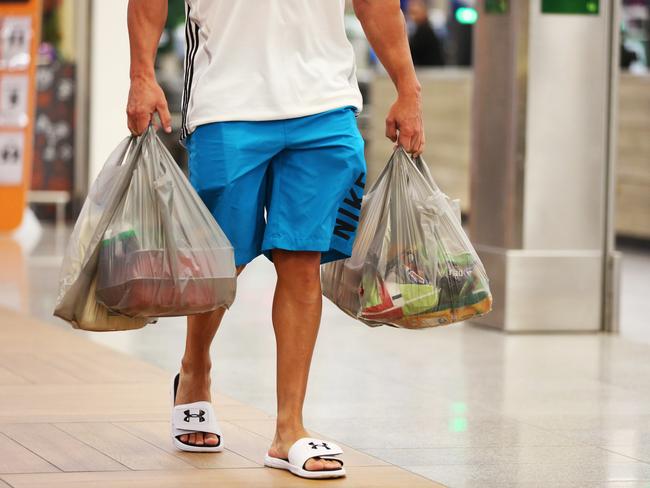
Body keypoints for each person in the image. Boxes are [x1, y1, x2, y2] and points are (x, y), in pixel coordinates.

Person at [126, 0, 424, 480]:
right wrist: (142, 74)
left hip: (324, 104)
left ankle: (289, 428)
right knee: (219, 264)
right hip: (227, 102)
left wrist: (408, 88)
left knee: (302, 261)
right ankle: (195, 369)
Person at [408, 0, 445, 66]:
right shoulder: (422, 28)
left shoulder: (424, 30)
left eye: (415, 13)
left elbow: (411, 52)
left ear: (424, 12)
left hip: (431, 70)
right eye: (411, 13)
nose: (412, 17)